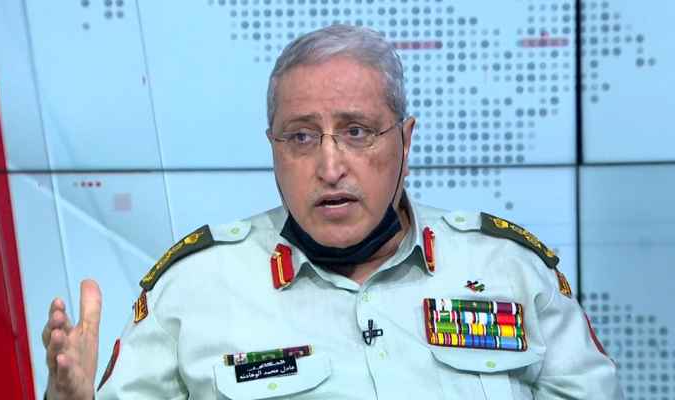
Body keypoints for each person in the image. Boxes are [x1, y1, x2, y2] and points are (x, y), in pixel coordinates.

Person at [42, 24, 623, 399]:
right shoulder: (192, 289)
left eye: (357, 132)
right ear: (273, 148)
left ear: (406, 142)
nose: (329, 165)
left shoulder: (510, 270)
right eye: (300, 137)